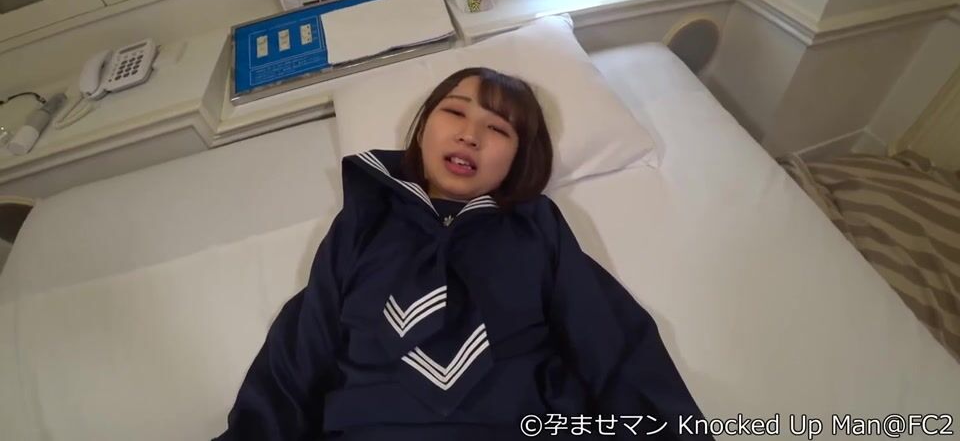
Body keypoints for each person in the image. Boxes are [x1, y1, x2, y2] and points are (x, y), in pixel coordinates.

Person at [214, 67, 711, 440]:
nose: (469, 135)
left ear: (518, 160)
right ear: (422, 130)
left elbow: (608, 339)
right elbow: (302, 349)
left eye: (499, 130)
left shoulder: (536, 229)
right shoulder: (364, 221)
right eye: (454, 112)